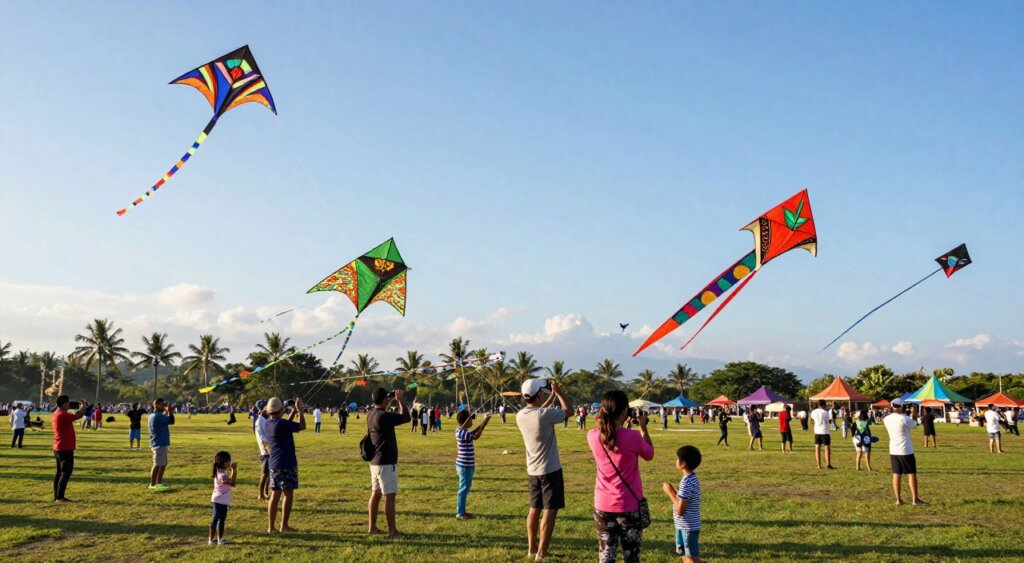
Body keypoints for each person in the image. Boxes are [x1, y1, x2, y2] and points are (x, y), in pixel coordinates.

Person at [588, 390, 654, 563]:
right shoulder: (632, 436)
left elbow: (604, 427)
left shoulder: (592, 436)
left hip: (603, 504)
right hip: (629, 505)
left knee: (606, 556)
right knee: (631, 556)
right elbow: (649, 454)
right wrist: (643, 427)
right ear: (625, 411)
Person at [516, 379, 569, 562]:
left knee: (534, 509)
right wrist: (559, 393)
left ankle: (531, 549)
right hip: (550, 469)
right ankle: (542, 553)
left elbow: (538, 411)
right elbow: (567, 412)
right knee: (550, 510)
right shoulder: (544, 416)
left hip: (533, 470)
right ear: (539, 395)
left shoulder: (521, 415)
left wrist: (550, 396)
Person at [367, 387, 411, 538]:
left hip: (374, 461)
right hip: (386, 462)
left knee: (376, 495)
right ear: (385, 400)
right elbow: (406, 417)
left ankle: (371, 527)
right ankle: (392, 531)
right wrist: (399, 400)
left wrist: (391, 398)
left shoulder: (371, 413)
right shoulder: (383, 416)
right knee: (389, 496)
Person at [265, 397, 306, 533]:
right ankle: (284, 525)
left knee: (275, 494)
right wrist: (300, 411)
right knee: (288, 494)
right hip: (286, 463)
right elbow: (301, 426)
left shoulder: (268, 423)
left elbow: (284, 425)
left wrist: (293, 412)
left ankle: (271, 527)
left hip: (274, 463)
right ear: (281, 409)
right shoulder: (281, 424)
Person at [662, 445, 702, 563]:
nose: (676, 461)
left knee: (691, 558)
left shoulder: (686, 482)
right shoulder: (692, 478)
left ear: (683, 463)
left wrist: (670, 492)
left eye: (677, 458)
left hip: (687, 527)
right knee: (684, 554)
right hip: (683, 525)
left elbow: (680, 510)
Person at [883, 403, 925, 505]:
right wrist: (914, 413)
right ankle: (915, 499)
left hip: (893, 450)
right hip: (906, 450)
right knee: (911, 474)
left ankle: (898, 499)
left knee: (896, 475)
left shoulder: (886, 419)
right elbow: (915, 424)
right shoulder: (904, 418)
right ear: (901, 407)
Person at [454, 409, 492, 519]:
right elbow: (476, 436)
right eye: (471, 419)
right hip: (465, 465)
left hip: (466, 464)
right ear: (466, 420)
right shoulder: (462, 433)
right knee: (463, 489)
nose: (472, 421)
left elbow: (473, 432)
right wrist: (485, 420)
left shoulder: (460, 431)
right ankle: (460, 513)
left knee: (465, 487)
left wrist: (484, 421)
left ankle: (462, 511)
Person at [52, 396, 88, 502]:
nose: (69, 404)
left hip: (58, 446)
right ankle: (60, 497)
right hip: (65, 447)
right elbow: (79, 415)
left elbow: (76, 415)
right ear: (63, 404)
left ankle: (57, 495)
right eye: (67, 403)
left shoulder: (55, 414)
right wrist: (83, 407)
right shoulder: (62, 415)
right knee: (66, 472)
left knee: (59, 472)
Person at [209, 451, 237, 545]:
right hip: (220, 501)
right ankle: (215, 540)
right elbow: (232, 483)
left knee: (219, 519)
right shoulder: (222, 475)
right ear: (224, 462)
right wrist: (234, 470)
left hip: (221, 500)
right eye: (229, 461)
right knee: (218, 519)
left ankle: (217, 539)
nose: (230, 462)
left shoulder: (220, 472)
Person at [148, 398, 175, 490]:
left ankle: (158, 483)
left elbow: (165, 418)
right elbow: (171, 421)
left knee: (162, 464)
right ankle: (152, 485)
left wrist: (166, 411)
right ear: (156, 405)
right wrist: (170, 411)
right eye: (162, 404)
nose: (164, 406)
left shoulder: (153, 415)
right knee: (157, 464)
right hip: (160, 443)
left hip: (159, 442)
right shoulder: (158, 416)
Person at [254, 400, 271, 501]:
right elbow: (262, 439)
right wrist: (269, 450)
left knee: (269, 474)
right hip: (266, 452)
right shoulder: (259, 421)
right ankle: (261, 494)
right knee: (264, 474)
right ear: (262, 409)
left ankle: (266, 493)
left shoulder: (266, 419)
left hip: (270, 450)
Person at [810, 401, 834, 469]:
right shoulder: (825, 412)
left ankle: (818, 465)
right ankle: (828, 464)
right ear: (824, 405)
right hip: (825, 432)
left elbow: (812, 420)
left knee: (817, 448)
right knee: (827, 448)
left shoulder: (814, 412)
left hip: (817, 431)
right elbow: (829, 421)